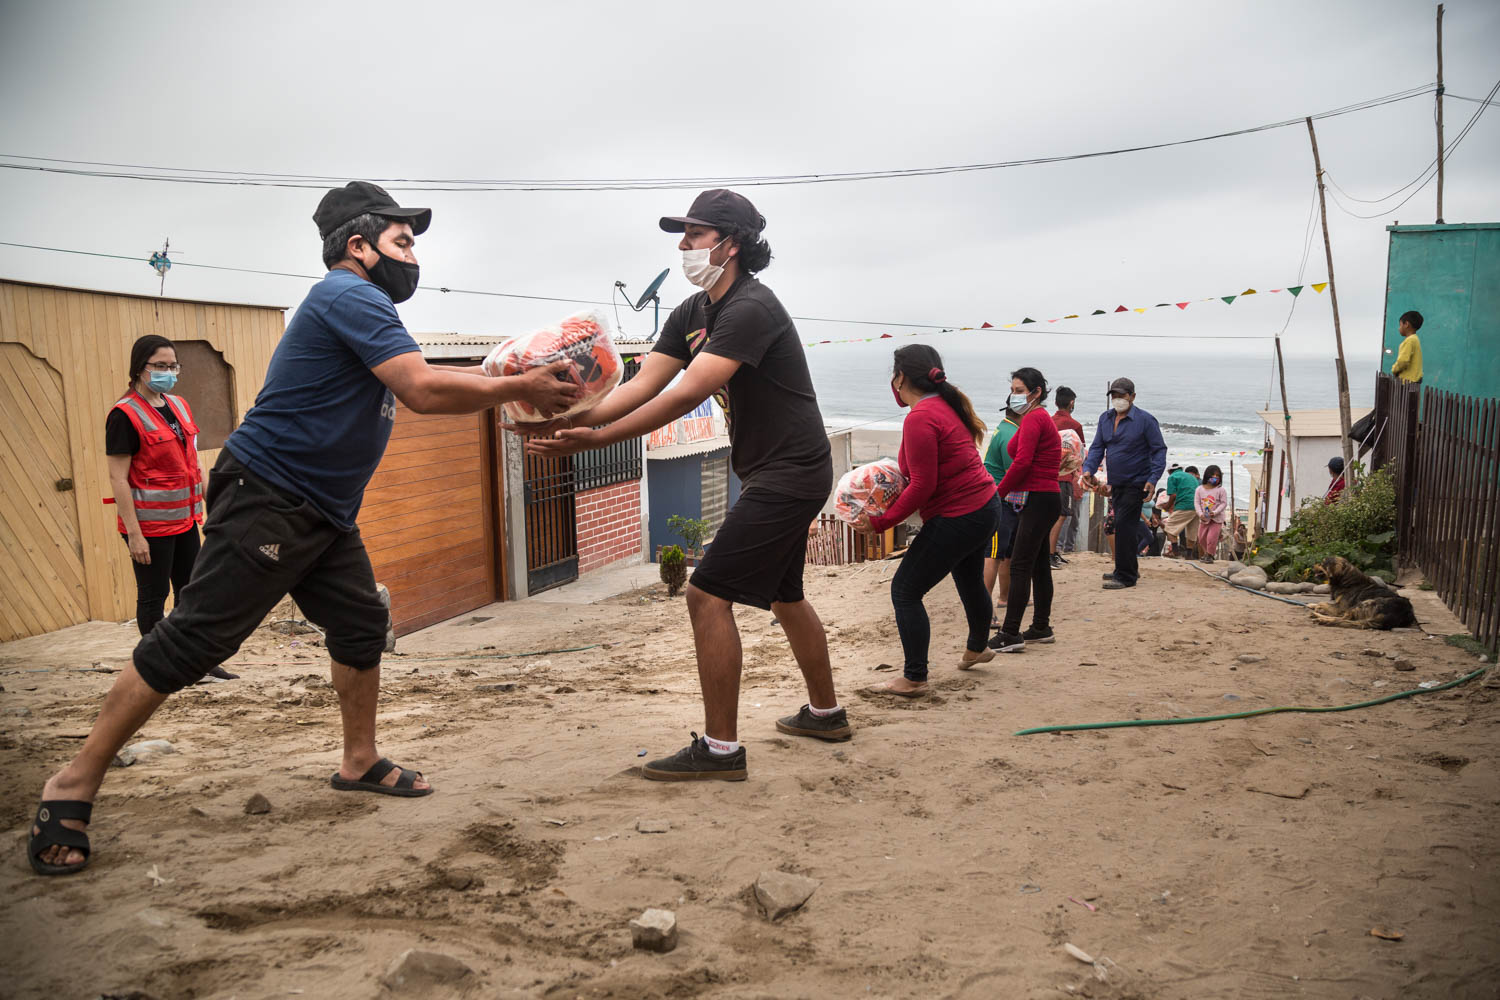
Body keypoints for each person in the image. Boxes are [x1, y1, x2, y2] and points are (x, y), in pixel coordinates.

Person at [28, 181, 582, 876]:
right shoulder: (347, 295)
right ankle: (71, 783)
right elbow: (421, 388)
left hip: (322, 510)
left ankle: (359, 759)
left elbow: (430, 378)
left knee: (357, 627)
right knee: (194, 639)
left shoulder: (366, 307)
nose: (414, 258)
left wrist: (510, 381)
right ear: (358, 245)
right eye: (403, 242)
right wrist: (519, 386)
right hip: (271, 495)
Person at [523, 189, 845, 781]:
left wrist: (599, 441)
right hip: (772, 472)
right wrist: (574, 418)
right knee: (786, 595)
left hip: (792, 472)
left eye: (695, 234)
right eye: (684, 233)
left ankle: (722, 751)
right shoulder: (691, 313)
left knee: (704, 593)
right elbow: (643, 385)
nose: (683, 245)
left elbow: (688, 394)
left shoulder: (753, 308)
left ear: (733, 243)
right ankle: (825, 715)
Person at [856, 347, 1000, 697]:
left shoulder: (920, 416)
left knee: (905, 591)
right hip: (985, 505)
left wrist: (881, 523)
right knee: (968, 578)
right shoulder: (947, 405)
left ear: (901, 378)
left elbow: (924, 484)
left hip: (960, 514)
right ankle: (978, 647)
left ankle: (914, 677)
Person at [105, 336, 237, 683]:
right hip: (148, 528)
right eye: (160, 366)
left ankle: (197, 662)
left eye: (172, 366)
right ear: (139, 369)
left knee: (190, 593)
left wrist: (216, 505)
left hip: (185, 521)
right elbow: (118, 478)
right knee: (154, 598)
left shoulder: (178, 405)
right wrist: (134, 534)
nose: (168, 372)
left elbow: (191, 465)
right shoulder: (124, 415)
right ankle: (158, 668)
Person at [988, 368, 1063, 652]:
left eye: (1019, 391)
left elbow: (1021, 464)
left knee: (1020, 565)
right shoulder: (1035, 419)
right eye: (1013, 390)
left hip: (1038, 498)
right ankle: (1041, 627)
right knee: (1040, 565)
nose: (1014, 395)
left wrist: (998, 494)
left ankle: (1010, 633)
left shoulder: (1034, 419)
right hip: (1044, 498)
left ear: (1036, 392)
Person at [1081, 377, 1167, 590]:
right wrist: (1088, 469)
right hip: (1116, 483)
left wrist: (1152, 479)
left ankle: (1127, 576)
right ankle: (1124, 569)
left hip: (1136, 482)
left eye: (1122, 396)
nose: (1118, 400)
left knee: (1126, 526)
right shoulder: (1106, 419)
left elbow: (1159, 450)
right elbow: (1097, 447)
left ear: (1132, 397)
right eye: (1114, 396)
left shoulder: (1145, 420)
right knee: (1122, 525)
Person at [981, 404, 1023, 624]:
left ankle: (1005, 598)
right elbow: (1014, 473)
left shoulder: (1005, 428)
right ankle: (985, 610)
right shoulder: (1011, 435)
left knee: (1006, 553)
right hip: (999, 500)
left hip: (1004, 500)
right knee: (993, 554)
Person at [1049, 386, 1086, 569]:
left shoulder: (1048, 421)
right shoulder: (1075, 426)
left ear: (1056, 402)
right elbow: (1080, 454)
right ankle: (1051, 553)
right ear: (1072, 403)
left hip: (1046, 476)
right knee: (1062, 515)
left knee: (1050, 515)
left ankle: (1053, 552)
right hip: (1064, 478)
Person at [1162, 464, 1201, 557]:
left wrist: (1167, 507)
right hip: (1197, 506)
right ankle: (1189, 555)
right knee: (1191, 532)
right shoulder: (1191, 477)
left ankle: (1175, 551)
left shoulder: (1172, 477)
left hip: (1184, 505)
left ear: (1169, 471)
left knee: (1169, 528)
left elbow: (1173, 495)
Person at [1194, 465, 1229, 561]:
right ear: (1207, 476)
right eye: (1213, 476)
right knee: (1201, 538)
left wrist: (1215, 512)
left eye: (1218, 476)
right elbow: (1197, 503)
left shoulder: (1221, 490)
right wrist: (1200, 513)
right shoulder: (1199, 489)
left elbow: (1224, 503)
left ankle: (1210, 555)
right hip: (1204, 518)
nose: (1216, 478)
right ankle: (1206, 553)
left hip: (1216, 519)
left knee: (1211, 538)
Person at [1391, 310, 1423, 384]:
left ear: (1406, 324)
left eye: (1400, 325)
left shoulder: (1409, 341)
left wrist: (1394, 369)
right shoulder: (1416, 339)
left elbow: (1403, 361)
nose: (1399, 328)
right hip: (1415, 380)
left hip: (1407, 382)